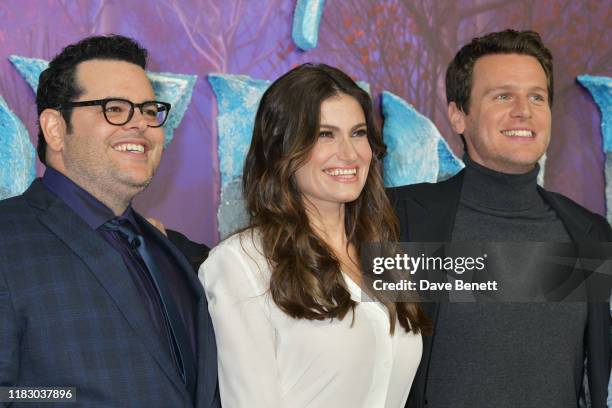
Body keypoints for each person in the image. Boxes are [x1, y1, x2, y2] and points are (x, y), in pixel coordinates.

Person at [389, 29, 611, 408]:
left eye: (537, 97)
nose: (523, 110)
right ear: (458, 115)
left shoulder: (589, 233)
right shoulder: (399, 219)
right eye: (503, 95)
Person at [0, 35, 219, 407]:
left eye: (149, 110)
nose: (140, 125)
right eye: (115, 109)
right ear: (55, 129)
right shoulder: (7, 239)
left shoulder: (171, 253)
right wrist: (67, 397)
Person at [199, 63, 429, 407]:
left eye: (358, 132)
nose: (349, 153)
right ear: (281, 150)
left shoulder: (385, 256)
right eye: (325, 134)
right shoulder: (240, 265)